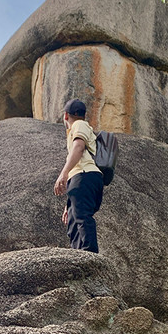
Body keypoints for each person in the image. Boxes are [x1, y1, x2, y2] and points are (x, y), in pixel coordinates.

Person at [53, 98, 103, 253]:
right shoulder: (80, 127)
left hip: (85, 175)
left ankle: (89, 253)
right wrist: (70, 203)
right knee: (73, 220)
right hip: (83, 178)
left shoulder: (79, 125)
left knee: (81, 216)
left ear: (66, 115)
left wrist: (63, 173)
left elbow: (79, 147)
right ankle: (78, 254)